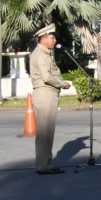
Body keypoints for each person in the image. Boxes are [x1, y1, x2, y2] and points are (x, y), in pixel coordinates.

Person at [29, 24, 71, 174]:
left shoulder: (44, 53)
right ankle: (43, 166)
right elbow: (47, 77)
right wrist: (63, 84)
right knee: (45, 132)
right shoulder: (41, 54)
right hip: (45, 94)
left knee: (46, 131)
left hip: (47, 94)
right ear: (44, 38)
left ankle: (45, 164)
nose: (55, 41)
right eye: (52, 38)